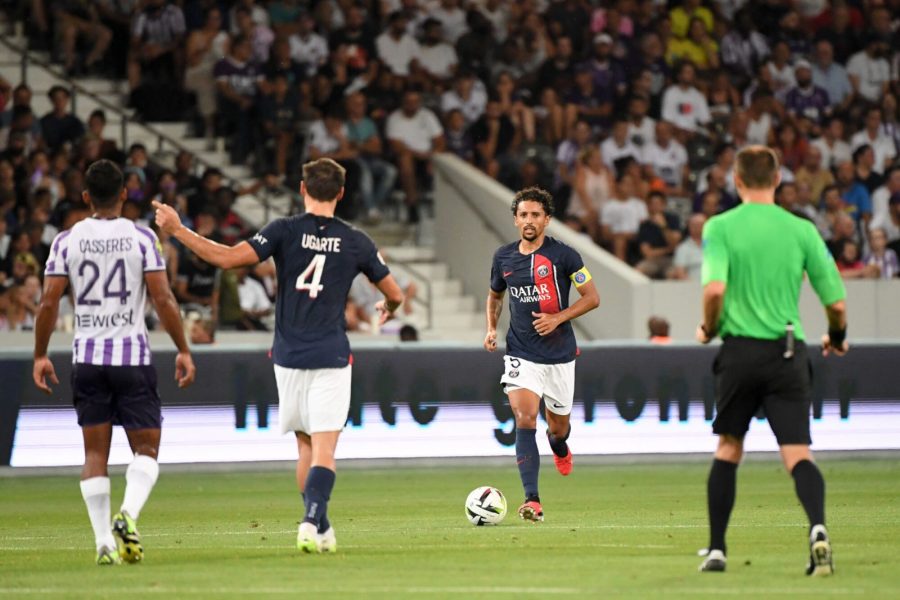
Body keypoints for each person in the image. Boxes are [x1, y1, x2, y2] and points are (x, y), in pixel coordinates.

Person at [153, 158, 404, 554]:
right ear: (341, 193)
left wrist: (177, 229)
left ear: (303, 189)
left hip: (287, 355)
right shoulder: (356, 240)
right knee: (324, 448)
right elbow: (394, 292)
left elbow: (226, 258)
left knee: (305, 446)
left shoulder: (284, 231)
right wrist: (389, 307)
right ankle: (312, 519)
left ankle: (319, 526)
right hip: (331, 354)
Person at [32, 160, 196, 565]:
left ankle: (104, 542)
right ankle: (129, 515)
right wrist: (183, 348)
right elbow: (163, 299)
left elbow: (49, 301)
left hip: (86, 357)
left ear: (85, 196)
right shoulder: (141, 238)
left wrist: (39, 354)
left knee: (94, 456)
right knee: (146, 449)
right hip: (131, 358)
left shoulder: (65, 241)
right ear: (124, 194)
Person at [696, 146, 848, 577]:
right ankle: (818, 529)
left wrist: (709, 328)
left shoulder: (720, 226)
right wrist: (836, 338)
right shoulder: (801, 229)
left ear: (737, 180)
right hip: (787, 351)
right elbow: (836, 304)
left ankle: (717, 550)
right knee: (798, 453)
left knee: (728, 449)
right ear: (778, 178)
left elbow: (713, 291)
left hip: (740, 351)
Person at [484, 186, 600, 523]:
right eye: (523, 215)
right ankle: (532, 500)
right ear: (516, 220)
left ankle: (560, 446)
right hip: (520, 352)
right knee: (524, 418)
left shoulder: (566, 256)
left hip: (560, 356)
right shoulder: (503, 257)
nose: (529, 220)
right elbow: (494, 296)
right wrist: (491, 328)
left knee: (557, 429)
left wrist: (558, 318)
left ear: (547, 219)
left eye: (536, 215)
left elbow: (592, 297)